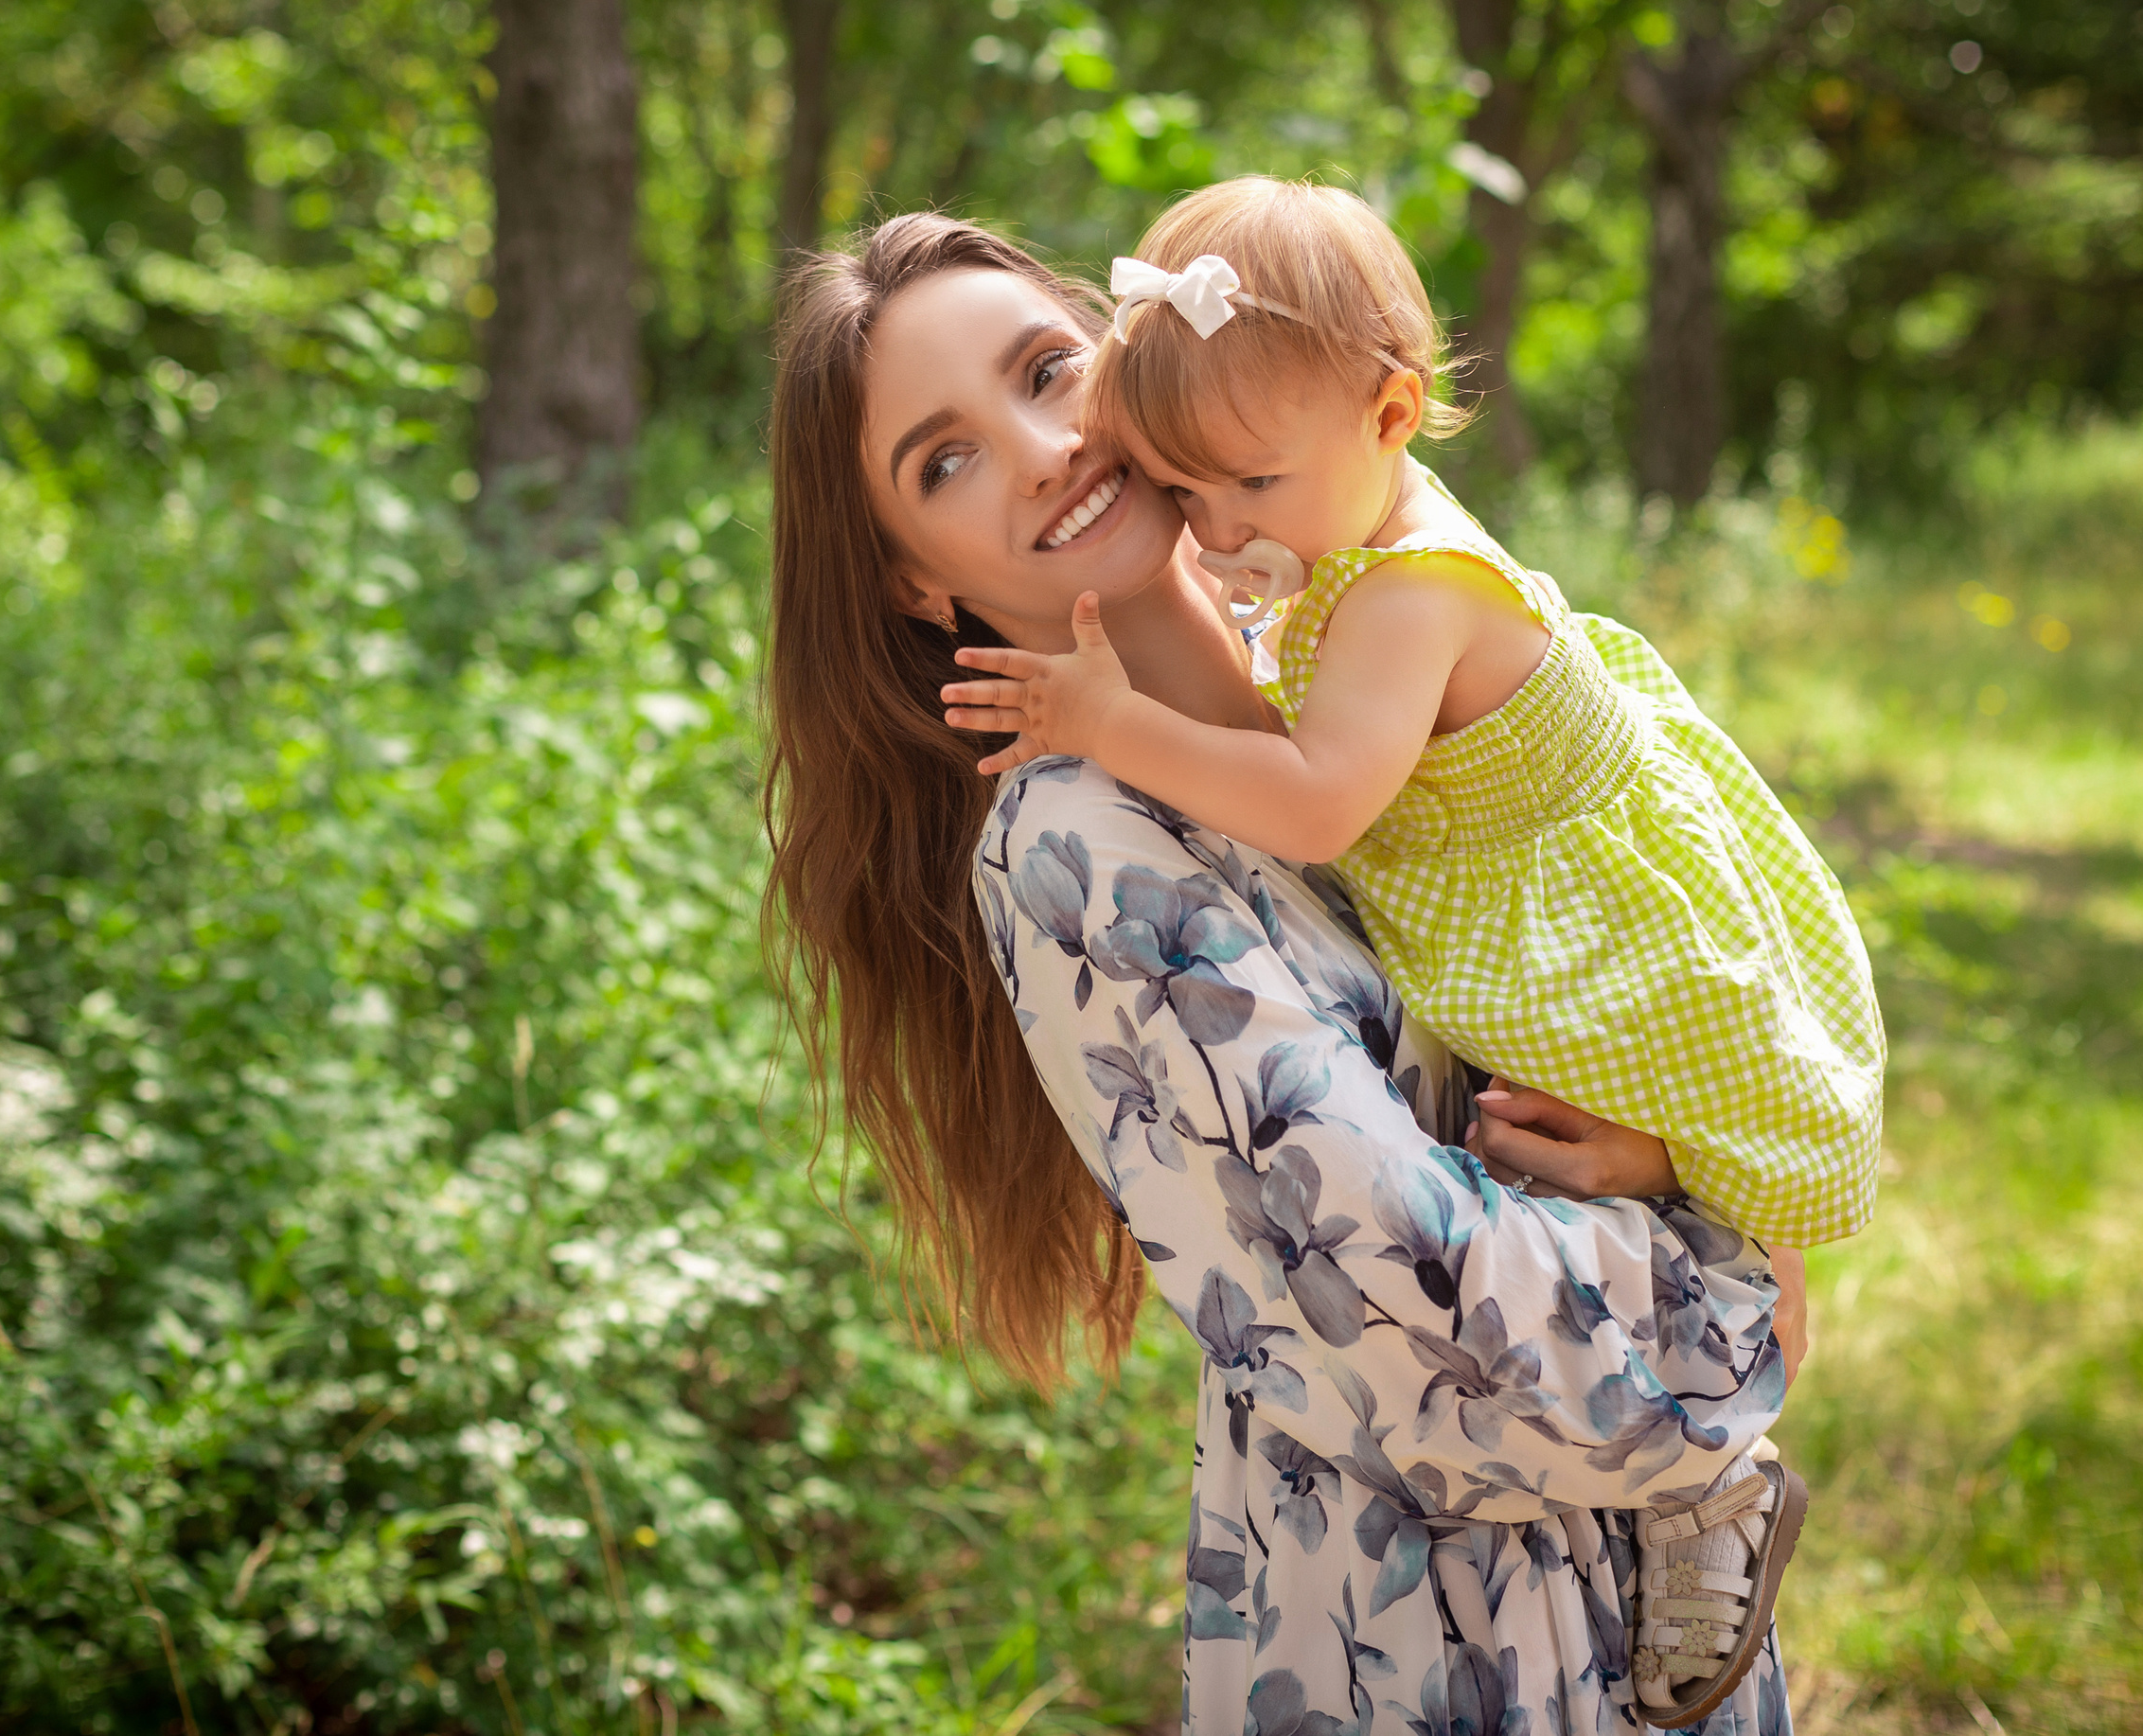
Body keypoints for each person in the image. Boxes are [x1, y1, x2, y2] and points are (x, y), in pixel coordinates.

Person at [763, 211, 1803, 1735]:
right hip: (1439, 1634)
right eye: (947, 460)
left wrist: (1671, 1149)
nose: (1045, 447)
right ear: (916, 586)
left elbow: (1586, 966)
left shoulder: (1335, 636)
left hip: (1650, 1574)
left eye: (1049, 371)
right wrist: (1737, 1288)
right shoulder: (1079, 846)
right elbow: (1431, 1328)